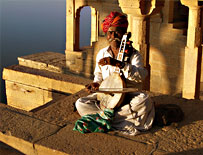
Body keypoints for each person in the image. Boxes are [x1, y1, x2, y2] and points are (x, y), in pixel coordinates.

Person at [75, 12, 155, 135]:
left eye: (117, 32)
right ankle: (118, 121)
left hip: (128, 96)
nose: (113, 36)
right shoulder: (102, 53)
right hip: (107, 95)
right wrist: (96, 83)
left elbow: (142, 75)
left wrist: (119, 64)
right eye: (109, 33)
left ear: (124, 33)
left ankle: (102, 120)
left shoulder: (134, 54)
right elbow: (98, 74)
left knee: (144, 101)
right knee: (80, 103)